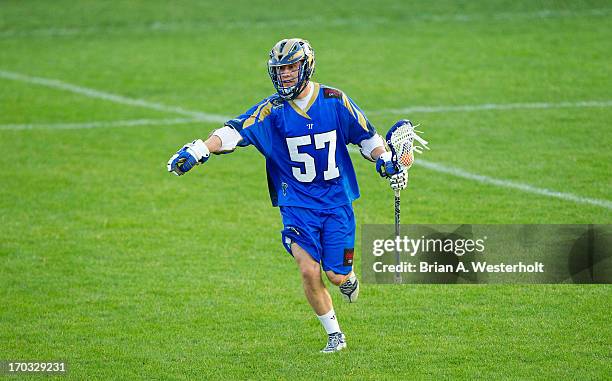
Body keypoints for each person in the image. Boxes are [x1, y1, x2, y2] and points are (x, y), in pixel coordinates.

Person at [167, 38, 407, 353]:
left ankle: (347, 278)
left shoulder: (335, 100)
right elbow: (235, 131)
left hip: (336, 203)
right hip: (296, 204)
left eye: (291, 67)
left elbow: (368, 138)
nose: (285, 75)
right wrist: (199, 149)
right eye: (280, 69)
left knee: (336, 275)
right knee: (308, 269)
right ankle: (336, 336)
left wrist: (383, 159)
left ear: (305, 67)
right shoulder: (273, 109)